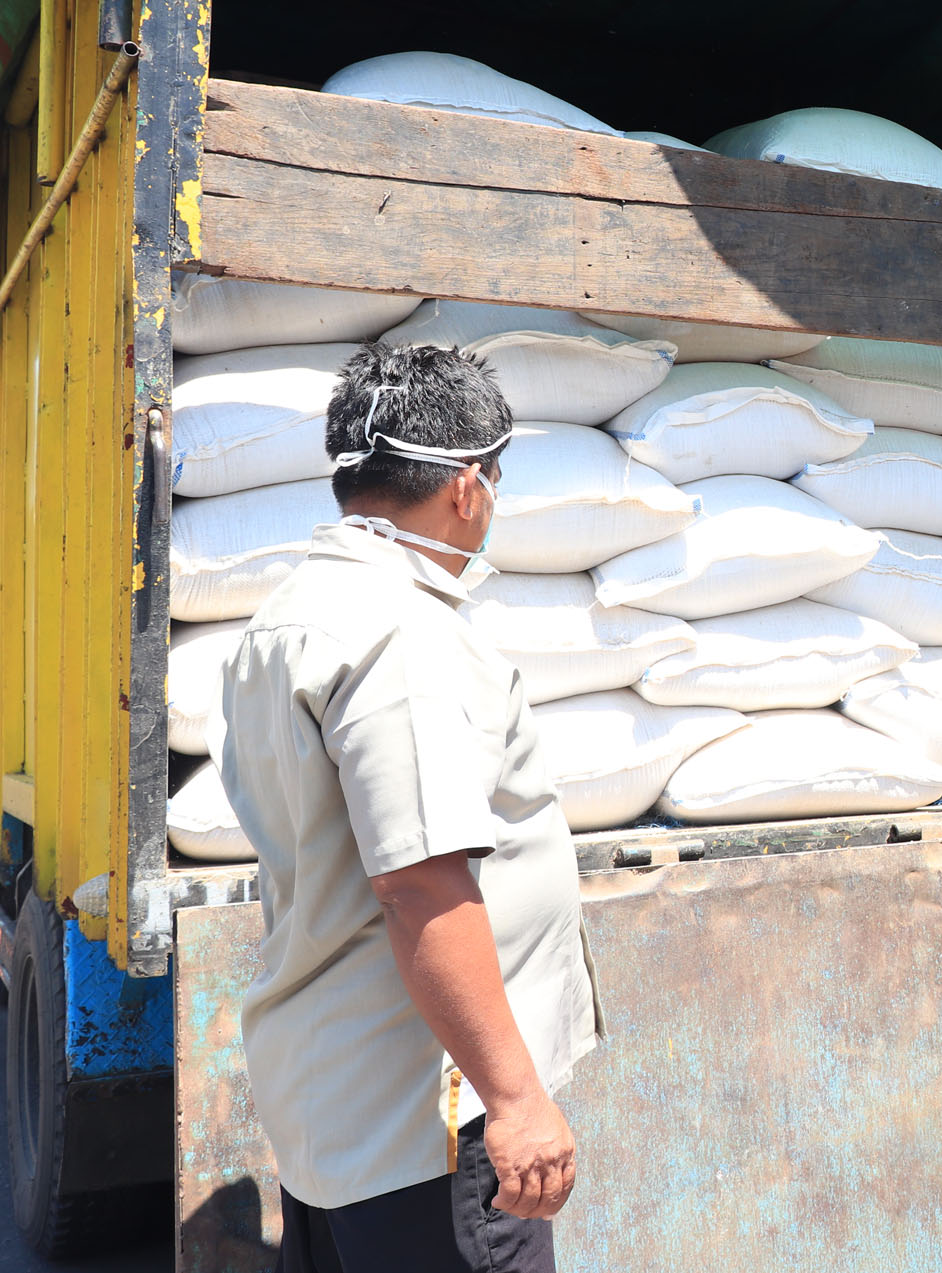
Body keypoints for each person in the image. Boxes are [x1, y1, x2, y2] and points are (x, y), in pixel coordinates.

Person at [219, 342, 601, 1273]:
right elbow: (420, 883)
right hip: (419, 1119)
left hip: (339, 1100)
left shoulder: (286, 617)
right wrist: (514, 1099)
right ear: (468, 487)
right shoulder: (400, 635)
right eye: (496, 480)